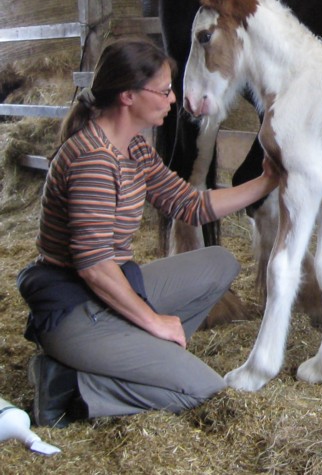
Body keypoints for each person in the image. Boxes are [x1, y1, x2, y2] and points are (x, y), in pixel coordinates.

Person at [16, 37, 279, 428]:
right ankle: (72, 383)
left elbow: (189, 204)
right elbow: (93, 266)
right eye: (163, 90)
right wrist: (154, 321)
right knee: (202, 389)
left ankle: (135, 355)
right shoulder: (91, 161)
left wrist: (266, 181)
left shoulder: (133, 148)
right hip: (75, 310)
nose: (173, 100)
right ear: (127, 95)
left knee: (219, 263)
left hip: (113, 291)